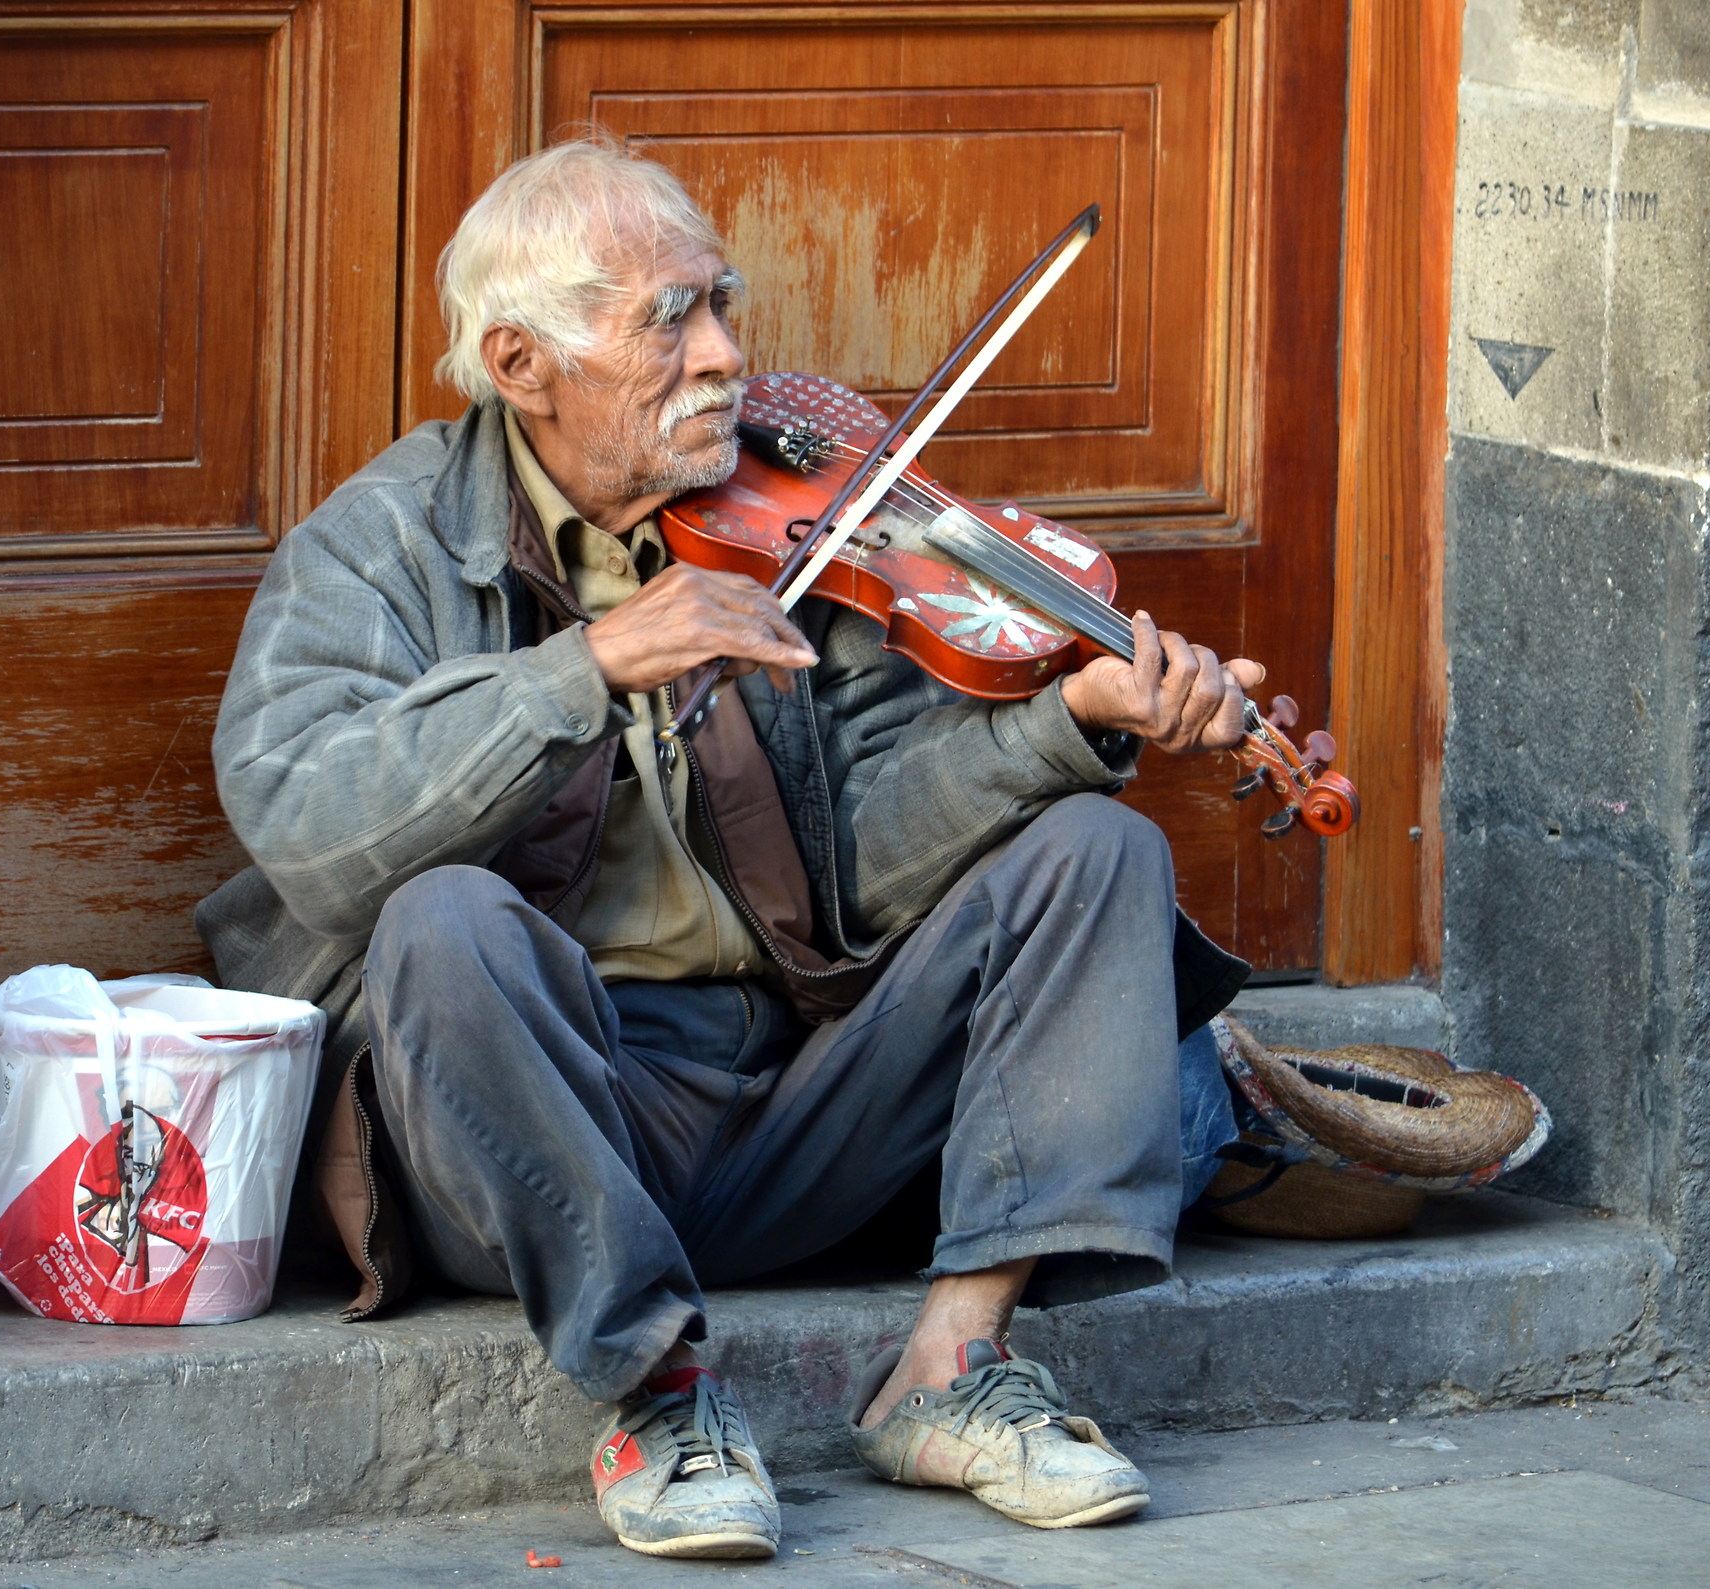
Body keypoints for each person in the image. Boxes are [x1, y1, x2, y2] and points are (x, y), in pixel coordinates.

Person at [199, 138, 1260, 1561]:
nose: (725, 355)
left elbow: (870, 865)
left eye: (721, 303)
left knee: (1094, 845)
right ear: (521, 364)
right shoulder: (380, 549)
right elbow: (310, 828)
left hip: (800, 1095)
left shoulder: (789, 528)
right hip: (536, 1136)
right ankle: (659, 1390)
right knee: (439, 920)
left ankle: (955, 1363)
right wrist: (585, 668)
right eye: (669, 319)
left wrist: (1068, 722)